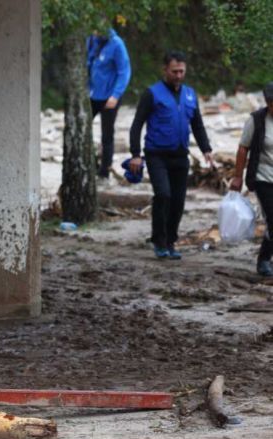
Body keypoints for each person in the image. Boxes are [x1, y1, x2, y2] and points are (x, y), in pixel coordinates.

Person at [129, 50, 215, 260]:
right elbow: (137, 124)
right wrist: (135, 154)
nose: (178, 75)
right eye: (174, 71)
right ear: (165, 70)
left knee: (178, 201)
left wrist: (206, 149)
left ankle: (171, 241)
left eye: (182, 71)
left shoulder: (189, 94)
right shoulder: (152, 93)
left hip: (180, 155)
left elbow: (197, 124)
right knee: (163, 195)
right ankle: (159, 240)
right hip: (156, 154)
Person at [229, 82, 273, 277]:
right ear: (267, 102)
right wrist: (238, 176)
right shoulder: (257, 120)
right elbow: (243, 148)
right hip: (263, 177)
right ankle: (264, 259)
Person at [87, 22, 132, 180]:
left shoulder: (117, 44)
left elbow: (124, 71)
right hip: (91, 95)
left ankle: (104, 171)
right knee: (84, 130)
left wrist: (116, 95)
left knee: (107, 134)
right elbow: (87, 63)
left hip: (109, 97)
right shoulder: (92, 40)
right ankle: (89, 164)